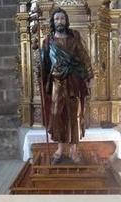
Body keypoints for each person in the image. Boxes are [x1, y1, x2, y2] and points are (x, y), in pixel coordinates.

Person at [41, 7, 93, 164]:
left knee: (74, 115)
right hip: (57, 83)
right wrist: (42, 76)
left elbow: (84, 58)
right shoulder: (48, 41)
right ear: (53, 21)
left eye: (62, 19)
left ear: (66, 21)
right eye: (56, 19)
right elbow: (45, 64)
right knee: (57, 115)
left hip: (73, 81)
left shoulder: (74, 38)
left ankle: (73, 150)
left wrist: (89, 76)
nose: (59, 21)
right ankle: (60, 148)